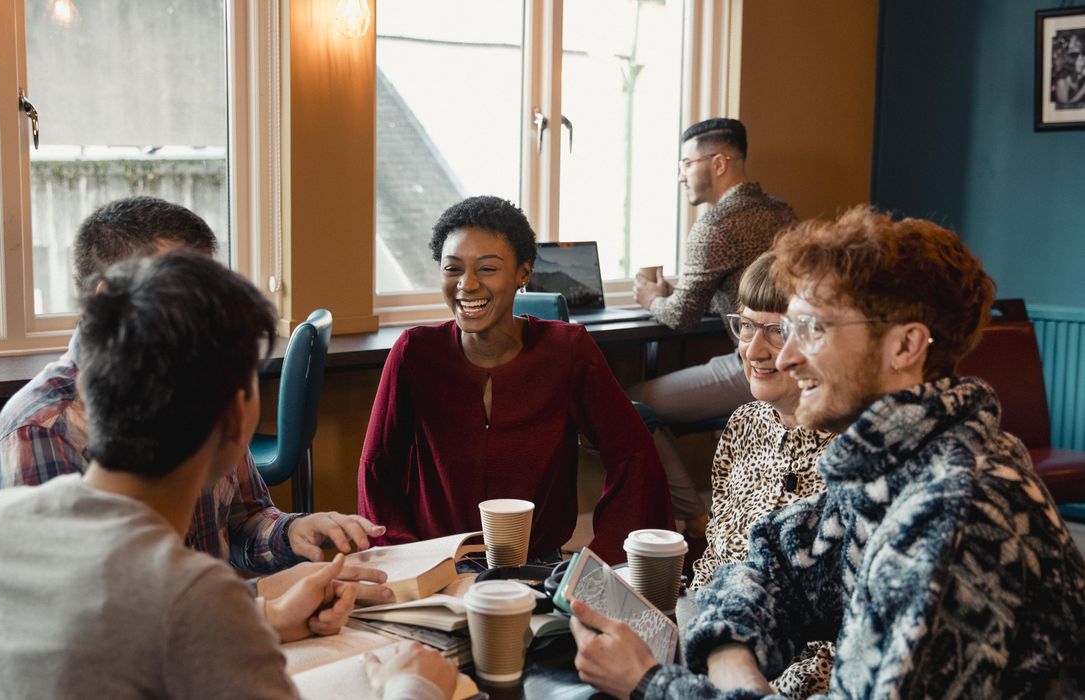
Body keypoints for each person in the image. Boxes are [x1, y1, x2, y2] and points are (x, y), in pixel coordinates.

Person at [570, 206, 1085, 698]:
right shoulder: (894, 465)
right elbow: (769, 564)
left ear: (905, 347)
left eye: (813, 329)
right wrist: (733, 658)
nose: (787, 357)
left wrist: (650, 683)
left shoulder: (953, 514)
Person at [0, 251, 458, 699]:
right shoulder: (193, 596)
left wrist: (263, 619)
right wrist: (412, 688)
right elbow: (165, 615)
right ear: (236, 418)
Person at [0, 196, 390, 597]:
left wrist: (292, 532)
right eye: (186, 289)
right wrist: (258, 603)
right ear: (108, 299)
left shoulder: (201, 381)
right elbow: (89, 617)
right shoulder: (41, 431)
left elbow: (243, 518)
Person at [358, 195, 672, 563]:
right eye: (452, 268)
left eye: (488, 269)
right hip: (437, 566)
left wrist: (602, 561)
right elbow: (376, 469)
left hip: (539, 564)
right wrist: (407, 559)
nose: (467, 284)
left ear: (523, 273)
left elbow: (633, 455)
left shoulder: (567, 349)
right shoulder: (414, 352)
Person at [628, 118, 798, 534]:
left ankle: (694, 515)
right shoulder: (781, 211)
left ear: (719, 163)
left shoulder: (715, 225)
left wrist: (651, 297)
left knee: (628, 407)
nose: (681, 174)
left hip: (757, 362)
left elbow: (681, 316)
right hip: (797, 355)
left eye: (687, 163)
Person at [687, 252, 836, 698]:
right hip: (713, 640)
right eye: (747, 326)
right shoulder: (744, 425)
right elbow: (714, 558)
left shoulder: (852, 455)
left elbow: (835, 640)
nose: (754, 349)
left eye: (778, 330)